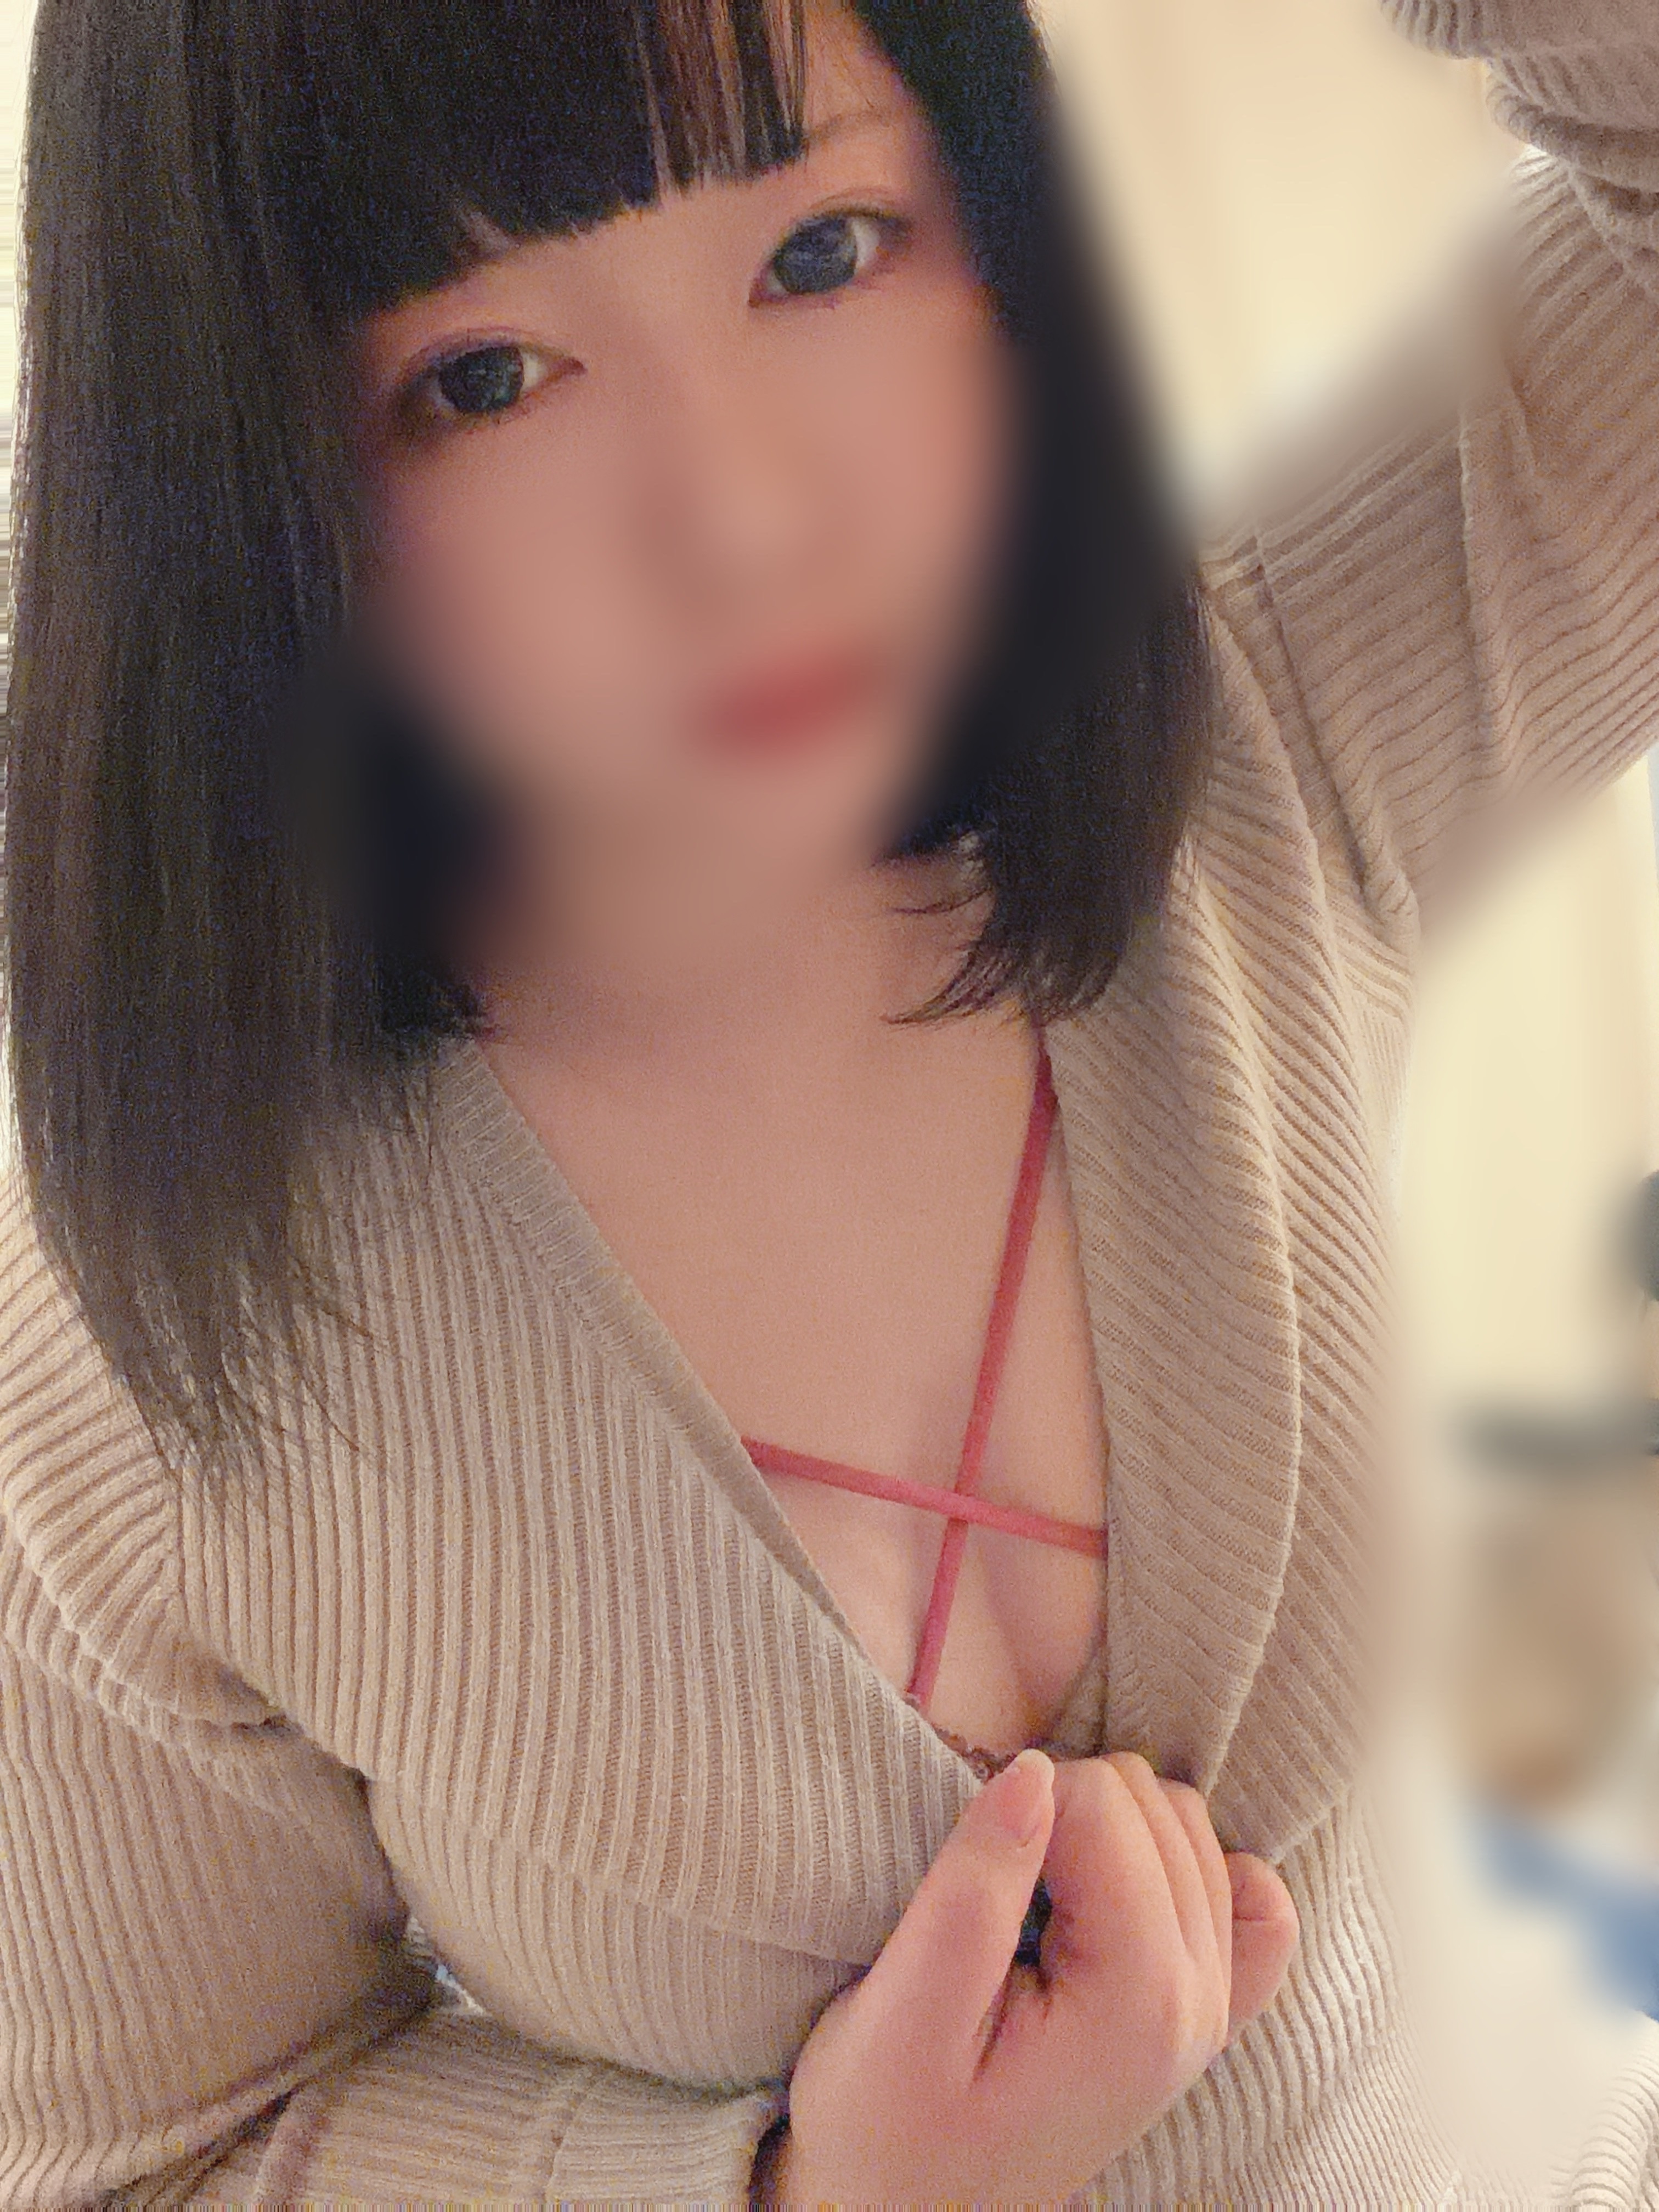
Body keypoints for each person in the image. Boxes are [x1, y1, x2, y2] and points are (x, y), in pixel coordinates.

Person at [1, 0, 1656, 2199]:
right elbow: (152, 2154)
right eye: (487, 379)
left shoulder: (1256, 732)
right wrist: (805, 2192)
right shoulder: (137, 1325)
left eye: (824, 252)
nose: (747, 515)